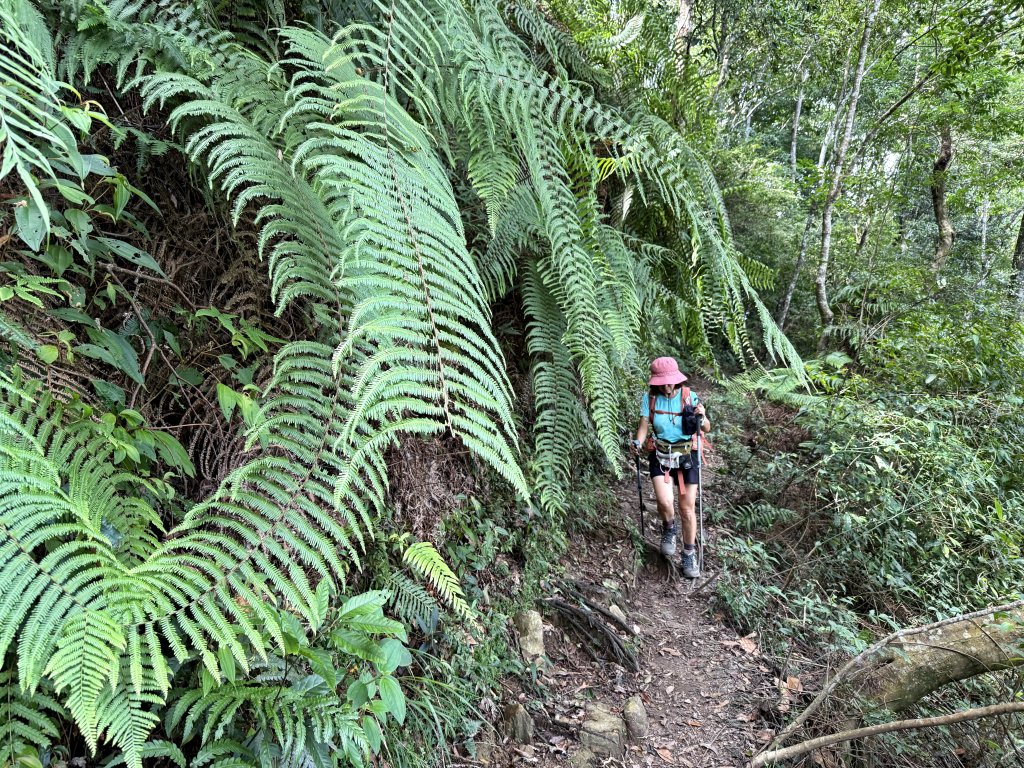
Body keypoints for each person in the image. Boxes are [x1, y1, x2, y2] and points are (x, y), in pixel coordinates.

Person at [630, 357, 710, 578]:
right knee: (665, 502)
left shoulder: (689, 398)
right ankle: (668, 528)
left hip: (687, 455)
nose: (667, 386)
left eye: (670, 381)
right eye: (662, 382)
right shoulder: (650, 399)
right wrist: (638, 441)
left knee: (687, 508)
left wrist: (701, 418)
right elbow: (644, 425)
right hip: (661, 453)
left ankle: (688, 553)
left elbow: (707, 427)